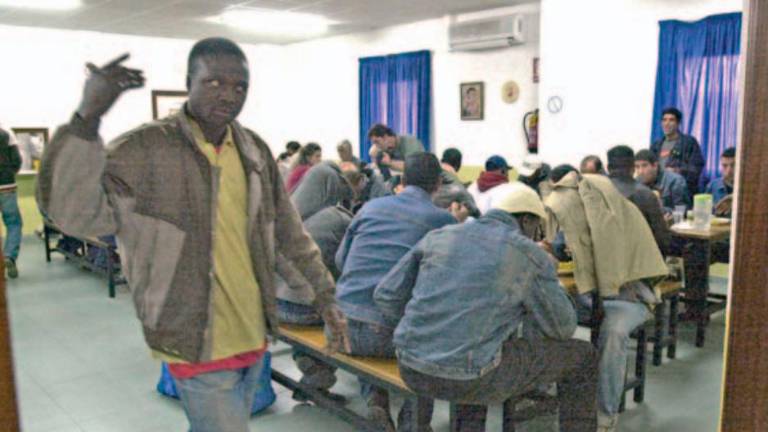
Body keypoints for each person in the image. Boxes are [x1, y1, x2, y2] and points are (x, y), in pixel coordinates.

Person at [36, 38, 349, 432]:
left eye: (240, 87)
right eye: (214, 82)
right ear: (189, 82)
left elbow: (289, 231)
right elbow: (73, 211)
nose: (229, 95)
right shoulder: (146, 148)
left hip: (253, 328)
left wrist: (324, 297)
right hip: (191, 333)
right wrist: (86, 119)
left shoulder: (252, 150)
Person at [375, 183, 598, 432]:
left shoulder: (439, 235)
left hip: (410, 365)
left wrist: (428, 329)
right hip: (470, 376)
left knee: (481, 347)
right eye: (537, 228)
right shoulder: (528, 255)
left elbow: (386, 295)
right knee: (583, 356)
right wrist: (550, 279)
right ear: (526, 220)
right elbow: (563, 328)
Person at [335, 153, 462, 431]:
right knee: (427, 339)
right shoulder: (443, 221)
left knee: (369, 318)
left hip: (341, 325)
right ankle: (414, 422)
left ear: (402, 181)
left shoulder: (370, 208)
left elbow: (340, 262)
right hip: (386, 334)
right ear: (438, 184)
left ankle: (376, 401)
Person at [544, 167, 668, 432]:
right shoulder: (578, 213)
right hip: (588, 296)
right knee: (539, 310)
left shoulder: (625, 216)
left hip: (630, 296)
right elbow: (562, 247)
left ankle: (604, 413)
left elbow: (613, 276)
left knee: (612, 333)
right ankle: (539, 389)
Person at [607, 146, 671, 255]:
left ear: (608, 168)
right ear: (633, 168)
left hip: (605, 262)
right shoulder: (646, 195)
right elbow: (663, 241)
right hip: (641, 264)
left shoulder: (595, 192)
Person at [650, 107, 705, 195]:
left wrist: (677, 171)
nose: (667, 123)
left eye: (671, 120)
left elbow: (697, 168)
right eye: (664, 120)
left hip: (681, 192)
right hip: (659, 191)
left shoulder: (689, 142)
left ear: (678, 123)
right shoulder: (656, 146)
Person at [634, 149, 691, 214]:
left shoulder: (676, 181)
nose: (640, 171)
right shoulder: (636, 183)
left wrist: (659, 209)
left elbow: (682, 212)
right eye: (637, 167)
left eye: (644, 166)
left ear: (655, 166)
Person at [0, 129, 22, 279]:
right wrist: (9, 173)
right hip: (7, 185)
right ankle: (9, 256)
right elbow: (17, 160)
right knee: (13, 223)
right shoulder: (7, 133)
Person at [705, 147, 736, 217]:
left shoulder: (749, 187)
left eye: (733, 165)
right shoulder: (713, 186)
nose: (729, 171)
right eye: (724, 166)